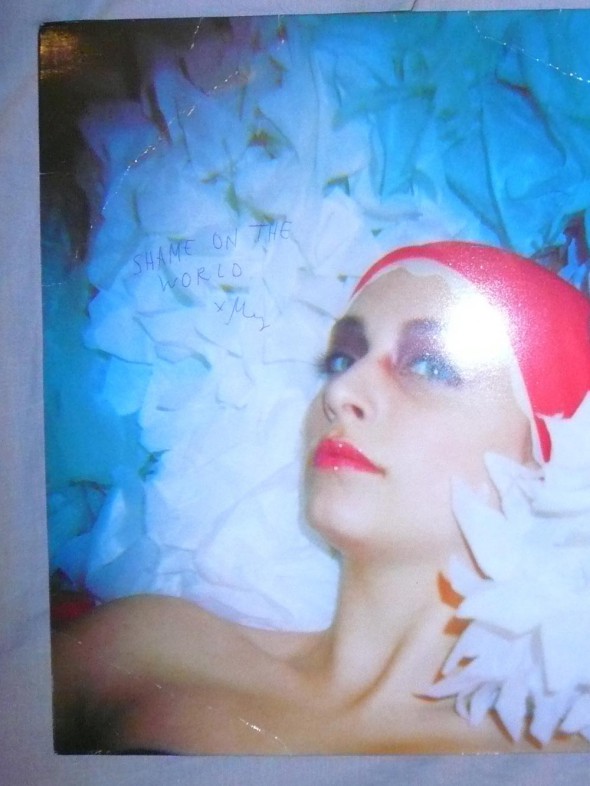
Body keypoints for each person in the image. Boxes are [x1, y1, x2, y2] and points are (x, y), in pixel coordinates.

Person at [52, 241, 590, 754]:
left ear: (554, 458)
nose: (340, 391)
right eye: (341, 359)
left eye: (430, 364)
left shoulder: (556, 762)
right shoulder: (148, 649)